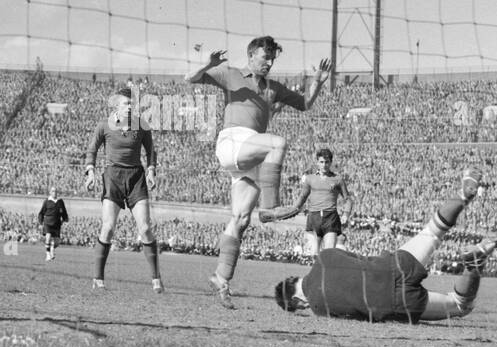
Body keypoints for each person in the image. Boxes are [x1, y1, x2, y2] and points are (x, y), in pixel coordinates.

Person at [187, 38, 328, 307]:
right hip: (234, 141)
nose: (269, 62)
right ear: (251, 55)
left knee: (240, 219)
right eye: (265, 57)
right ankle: (271, 207)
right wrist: (208, 64)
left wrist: (318, 82)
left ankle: (221, 277)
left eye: (273, 58)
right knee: (278, 143)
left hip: (251, 154)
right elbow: (190, 78)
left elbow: (306, 103)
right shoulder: (231, 73)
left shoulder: (274, 88)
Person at [274, 168, 497, 322]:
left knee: (459, 305)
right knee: (434, 229)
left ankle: (475, 262)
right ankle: (463, 196)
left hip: (392, 301)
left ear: (297, 301)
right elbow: (348, 254)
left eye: (298, 308)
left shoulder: (317, 308)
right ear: (294, 279)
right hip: (391, 266)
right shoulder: (324, 258)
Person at [83, 86, 163, 293]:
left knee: (145, 228)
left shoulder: (142, 125)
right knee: (108, 228)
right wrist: (90, 172)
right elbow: (91, 150)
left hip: (136, 177)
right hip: (113, 177)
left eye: (132, 104)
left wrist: (152, 171)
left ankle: (156, 279)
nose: (130, 107)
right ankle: (98, 278)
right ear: (116, 105)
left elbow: (151, 152)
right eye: (126, 103)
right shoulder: (104, 125)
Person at [259, 147, 351, 258]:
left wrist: (346, 214)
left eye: (327, 162)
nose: (324, 165)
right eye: (321, 162)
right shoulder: (309, 179)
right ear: (317, 162)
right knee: (313, 254)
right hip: (313, 217)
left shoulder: (338, 179)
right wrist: (293, 209)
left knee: (329, 254)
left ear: (331, 162)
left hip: (330, 218)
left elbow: (348, 199)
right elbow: (303, 197)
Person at [38, 188, 69, 261]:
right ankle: (48, 254)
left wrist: (65, 219)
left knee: (57, 242)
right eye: (53, 191)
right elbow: (41, 213)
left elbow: (64, 211)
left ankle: (52, 249)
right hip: (48, 222)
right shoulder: (47, 201)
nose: (55, 192)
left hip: (57, 223)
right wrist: (40, 222)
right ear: (50, 192)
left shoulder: (60, 201)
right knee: (48, 236)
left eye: (56, 191)